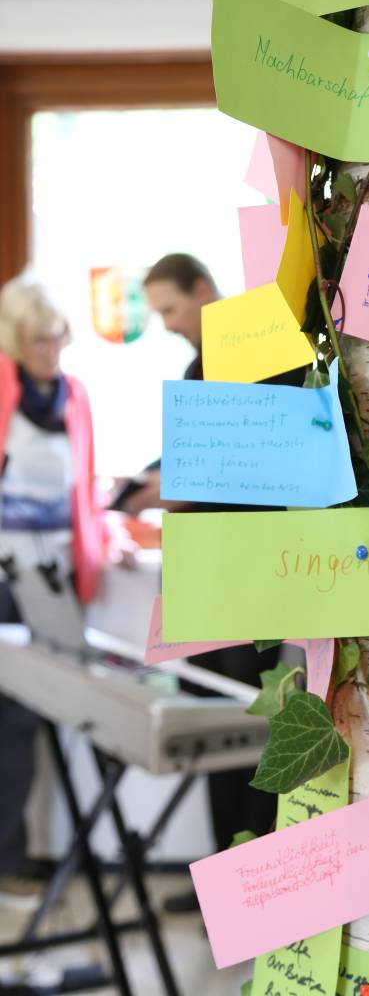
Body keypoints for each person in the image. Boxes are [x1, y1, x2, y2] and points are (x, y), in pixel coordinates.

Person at [122, 253, 296, 912]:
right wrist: (151, 482)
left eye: (169, 308)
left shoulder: (257, 348)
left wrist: (170, 490)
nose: (166, 324)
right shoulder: (204, 363)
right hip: (209, 577)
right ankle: (227, 880)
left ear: (203, 289)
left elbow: (240, 467)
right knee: (211, 729)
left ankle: (257, 890)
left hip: (243, 578)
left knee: (245, 730)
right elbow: (195, 456)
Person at [0, 278, 106, 909]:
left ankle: (27, 857)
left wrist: (103, 535)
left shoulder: (75, 395)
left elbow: (82, 488)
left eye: (56, 337)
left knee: (39, 717)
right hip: (3, 577)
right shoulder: (4, 391)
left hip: (53, 578)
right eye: (37, 339)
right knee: (11, 723)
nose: (50, 349)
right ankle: (9, 862)